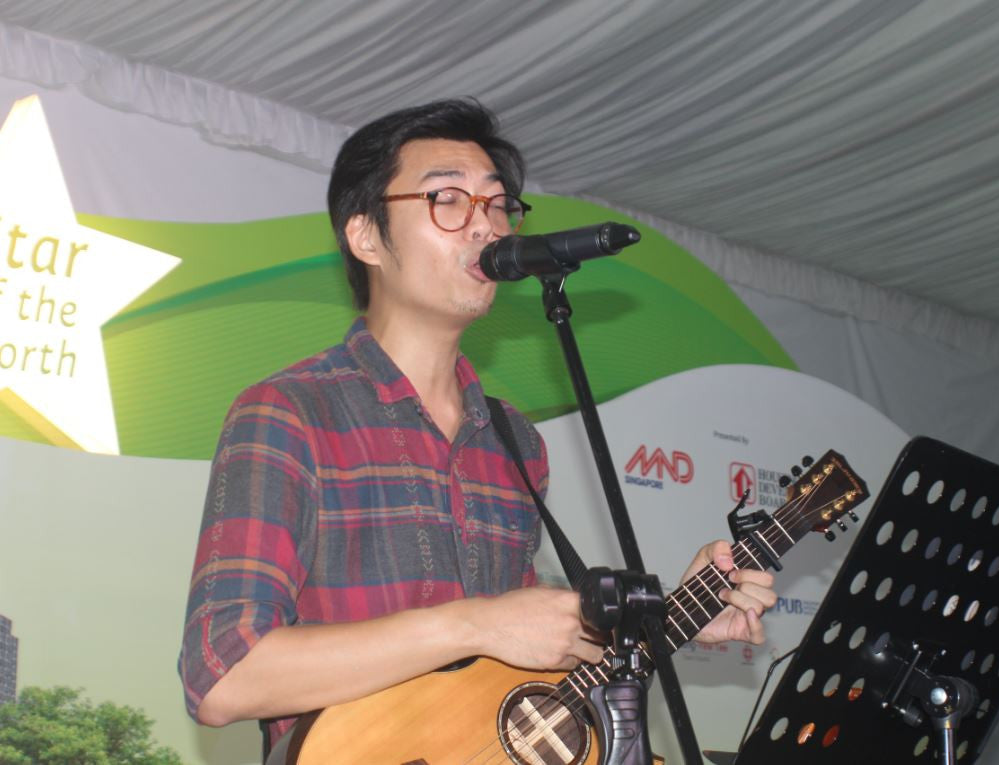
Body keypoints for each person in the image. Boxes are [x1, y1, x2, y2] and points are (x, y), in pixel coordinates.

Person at [178, 99, 776, 751]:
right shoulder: (288, 411)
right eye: (448, 199)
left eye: (497, 204)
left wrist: (662, 618)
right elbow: (223, 675)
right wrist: (474, 624)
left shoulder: (515, 441)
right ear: (366, 236)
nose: (486, 225)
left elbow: (519, 677)